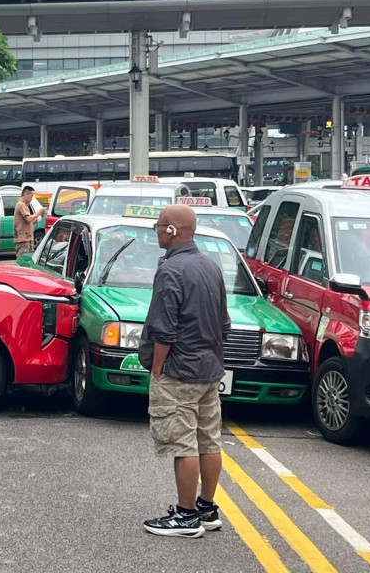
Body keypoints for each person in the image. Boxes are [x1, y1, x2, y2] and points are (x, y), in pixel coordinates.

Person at [138, 204, 230, 538]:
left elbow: (164, 328)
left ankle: (186, 516)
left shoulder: (171, 270)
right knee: (209, 438)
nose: (158, 231)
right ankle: (207, 507)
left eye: (159, 226)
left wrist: (158, 368)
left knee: (182, 443)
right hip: (208, 367)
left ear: (173, 230)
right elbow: (223, 323)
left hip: (179, 369)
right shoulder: (211, 266)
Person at [14, 186, 44, 257]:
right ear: (26, 194)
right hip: (23, 239)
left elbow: (29, 222)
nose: (32, 198)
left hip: (28, 238)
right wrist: (38, 213)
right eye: (31, 196)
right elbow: (29, 219)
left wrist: (39, 217)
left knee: (28, 259)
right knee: (23, 259)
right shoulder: (20, 205)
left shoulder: (25, 206)